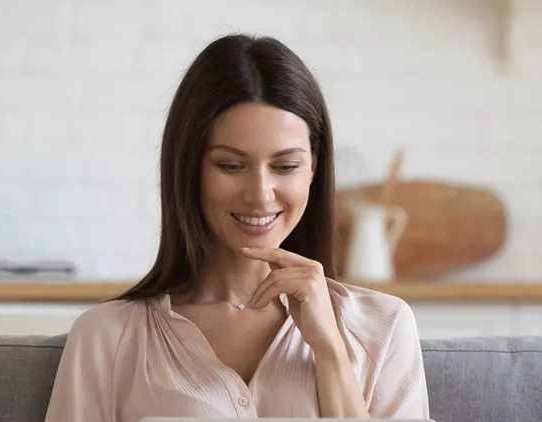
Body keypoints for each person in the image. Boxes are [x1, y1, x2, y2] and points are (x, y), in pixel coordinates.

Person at [44, 33, 430, 421]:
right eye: (230, 165)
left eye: (285, 166)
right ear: (189, 169)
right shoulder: (105, 339)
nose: (260, 195)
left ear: (314, 167)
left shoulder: (385, 328)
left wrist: (329, 349)